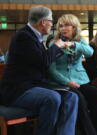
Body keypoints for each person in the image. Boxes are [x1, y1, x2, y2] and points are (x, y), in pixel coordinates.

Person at [0, 6, 78, 135]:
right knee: (52, 98)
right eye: (51, 21)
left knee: (71, 96)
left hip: (34, 86)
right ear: (43, 22)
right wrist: (57, 45)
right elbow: (44, 61)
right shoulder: (23, 36)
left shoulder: (36, 37)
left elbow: (43, 63)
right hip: (17, 90)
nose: (52, 24)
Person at [47, 14, 97, 135]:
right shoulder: (54, 43)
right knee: (80, 100)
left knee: (96, 95)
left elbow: (90, 52)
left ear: (74, 27)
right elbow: (51, 70)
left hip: (80, 80)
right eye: (61, 26)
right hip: (62, 83)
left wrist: (74, 45)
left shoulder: (80, 41)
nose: (63, 28)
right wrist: (67, 82)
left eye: (67, 25)